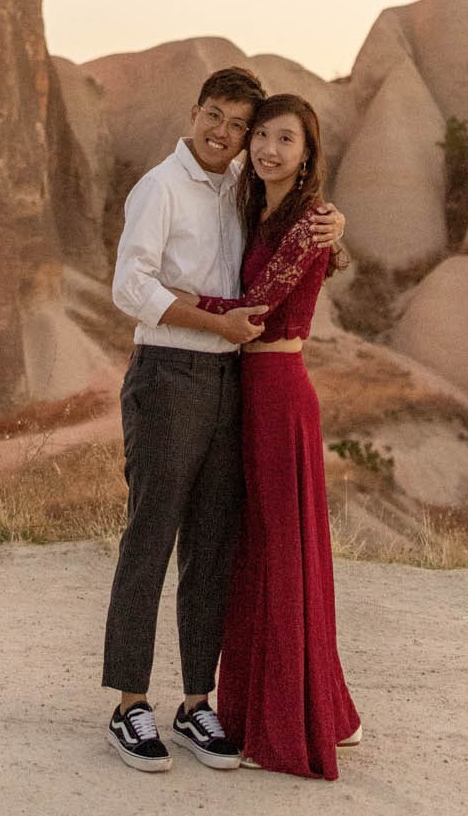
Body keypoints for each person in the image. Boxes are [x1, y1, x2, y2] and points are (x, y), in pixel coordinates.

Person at [100, 67, 342, 773]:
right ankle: (128, 704)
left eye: (241, 126)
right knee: (151, 534)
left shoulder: (238, 193)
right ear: (194, 111)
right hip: (168, 374)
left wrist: (335, 220)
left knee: (211, 544)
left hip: (229, 380)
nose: (226, 134)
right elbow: (128, 285)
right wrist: (204, 313)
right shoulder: (160, 187)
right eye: (217, 117)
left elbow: (289, 243)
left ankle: (195, 701)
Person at [196, 94, 359, 780]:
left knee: (282, 553)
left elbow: (258, 307)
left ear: (306, 153)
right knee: (260, 548)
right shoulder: (252, 205)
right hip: (248, 393)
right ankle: (298, 702)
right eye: (259, 135)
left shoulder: (309, 220)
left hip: (279, 392)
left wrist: (167, 299)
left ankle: (292, 718)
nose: (266, 148)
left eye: (283, 139)